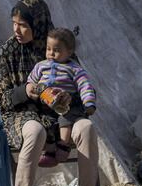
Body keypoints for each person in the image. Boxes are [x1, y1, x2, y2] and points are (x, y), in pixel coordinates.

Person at [0, 0, 102, 186]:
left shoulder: (58, 44)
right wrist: (27, 91)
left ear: (38, 24)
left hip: (61, 115)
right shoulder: (8, 51)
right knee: (34, 131)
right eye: (14, 23)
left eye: (23, 24)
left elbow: (82, 83)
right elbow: (2, 99)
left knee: (86, 128)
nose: (17, 30)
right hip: (24, 113)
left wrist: (68, 98)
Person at [27, 28, 96, 167]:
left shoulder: (74, 69)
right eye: (48, 49)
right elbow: (31, 81)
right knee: (46, 122)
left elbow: (85, 86)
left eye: (56, 50)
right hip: (47, 104)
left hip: (66, 105)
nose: (51, 53)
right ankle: (50, 151)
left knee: (65, 119)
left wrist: (89, 103)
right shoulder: (41, 66)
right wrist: (30, 88)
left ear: (69, 52)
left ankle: (64, 145)